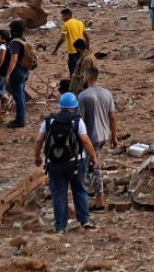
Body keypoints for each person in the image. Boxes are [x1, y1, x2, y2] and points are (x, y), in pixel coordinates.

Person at [34, 92, 98, 233]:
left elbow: (39, 140)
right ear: (74, 107)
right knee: (79, 190)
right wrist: (94, 157)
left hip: (54, 163)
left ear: (60, 106)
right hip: (75, 162)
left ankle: (60, 226)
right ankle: (84, 221)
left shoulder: (49, 121)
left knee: (58, 193)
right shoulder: (77, 121)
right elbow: (85, 141)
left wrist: (37, 157)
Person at [76, 67, 117, 209]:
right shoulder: (107, 93)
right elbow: (112, 117)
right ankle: (92, 191)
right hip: (103, 134)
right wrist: (114, 136)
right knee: (92, 163)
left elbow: (79, 120)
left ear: (88, 77)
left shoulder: (83, 96)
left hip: (89, 136)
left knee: (94, 166)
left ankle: (99, 201)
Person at [5, 21, 32, 128]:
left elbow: (14, 60)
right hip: (24, 71)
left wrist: (7, 74)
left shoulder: (15, 43)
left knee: (19, 97)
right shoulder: (23, 40)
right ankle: (21, 118)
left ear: (14, 31)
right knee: (21, 96)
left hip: (17, 72)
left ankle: (20, 120)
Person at [54, 9, 87, 78]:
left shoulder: (66, 24)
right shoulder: (80, 23)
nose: (62, 18)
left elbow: (62, 39)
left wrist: (55, 49)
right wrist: (87, 48)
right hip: (81, 50)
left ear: (68, 15)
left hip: (72, 50)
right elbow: (87, 37)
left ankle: (74, 85)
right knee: (79, 68)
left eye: (63, 16)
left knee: (74, 71)